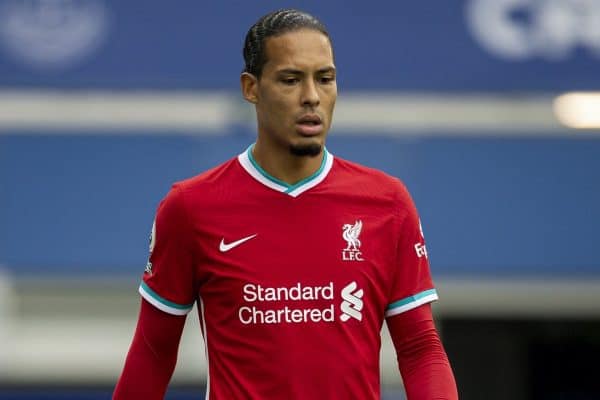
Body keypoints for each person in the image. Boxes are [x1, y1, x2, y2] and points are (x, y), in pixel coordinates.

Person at [113, 8, 458, 400]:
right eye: (291, 80)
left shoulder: (388, 203)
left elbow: (419, 348)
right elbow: (153, 353)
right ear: (251, 88)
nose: (311, 97)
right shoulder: (190, 207)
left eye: (325, 79)